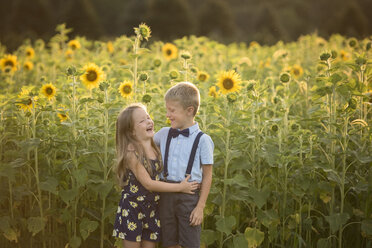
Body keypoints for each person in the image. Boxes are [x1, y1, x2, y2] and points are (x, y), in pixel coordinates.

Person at [112, 103, 199, 248]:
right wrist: (180, 187)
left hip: (152, 208)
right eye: (142, 121)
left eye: (148, 117)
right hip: (133, 208)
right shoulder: (131, 153)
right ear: (131, 131)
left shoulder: (156, 147)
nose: (148, 121)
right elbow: (148, 183)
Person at [154, 82, 214, 248]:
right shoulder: (164, 133)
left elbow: (207, 175)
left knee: (189, 243)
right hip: (165, 194)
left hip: (189, 197)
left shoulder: (203, 140)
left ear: (189, 111)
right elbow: (143, 143)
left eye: (172, 110)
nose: (168, 115)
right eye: (167, 110)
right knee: (169, 241)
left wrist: (200, 207)